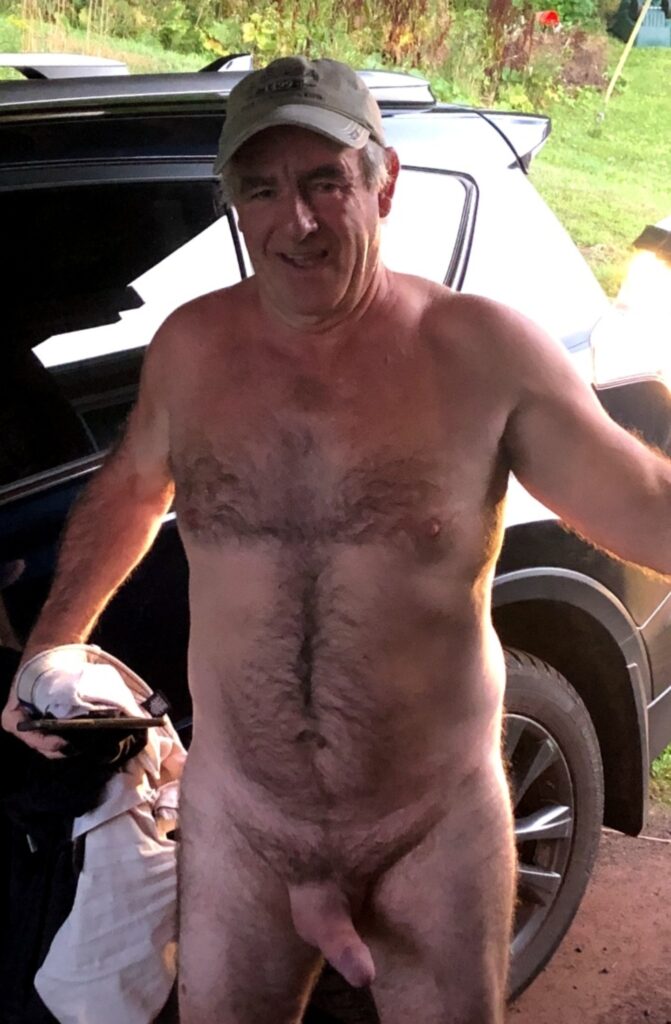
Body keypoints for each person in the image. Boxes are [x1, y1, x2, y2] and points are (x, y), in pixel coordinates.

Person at [3, 54, 671, 1024]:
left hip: (430, 825)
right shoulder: (193, 349)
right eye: (262, 189)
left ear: (381, 181)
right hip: (243, 821)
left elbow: (639, 504)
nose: (298, 219)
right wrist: (49, 650)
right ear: (234, 202)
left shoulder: (483, 353)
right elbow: (130, 490)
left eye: (325, 181)